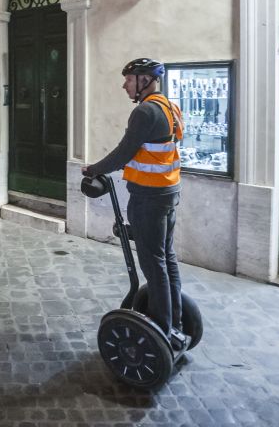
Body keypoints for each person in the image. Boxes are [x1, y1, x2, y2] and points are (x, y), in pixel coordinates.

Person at [82, 57, 188, 352]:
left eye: (129, 79)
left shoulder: (145, 112)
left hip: (149, 197)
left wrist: (94, 169)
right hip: (168, 192)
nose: (125, 85)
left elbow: (124, 152)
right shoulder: (169, 106)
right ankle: (174, 322)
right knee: (166, 259)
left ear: (144, 80)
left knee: (153, 265)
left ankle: (163, 330)